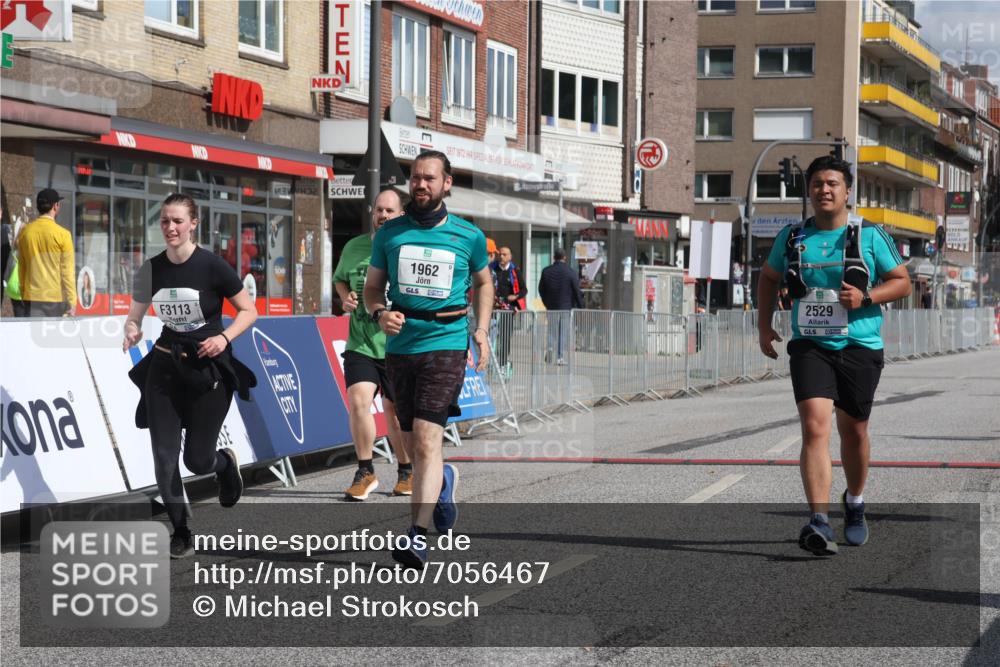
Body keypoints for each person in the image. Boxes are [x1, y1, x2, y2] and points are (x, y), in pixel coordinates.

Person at [757, 155, 910, 556]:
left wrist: (867, 297)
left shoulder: (869, 235)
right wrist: (762, 325)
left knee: (854, 430)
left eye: (832, 184)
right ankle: (819, 520)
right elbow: (769, 277)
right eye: (817, 184)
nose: (824, 190)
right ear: (808, 191)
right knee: (814, 427)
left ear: (847, 191)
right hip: (811, 345)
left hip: (860, 345)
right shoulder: (792, 237)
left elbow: (903, 282)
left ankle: (855, 502)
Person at [364, 150, 493, 570]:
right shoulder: (390, 234)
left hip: (447, 339)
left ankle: (416, 537)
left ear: (447, 183)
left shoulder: (467, 235)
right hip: (401, 347)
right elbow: (372, 290)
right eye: (416, 178)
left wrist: (482, 330)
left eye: (430, 179)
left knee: (425, 439)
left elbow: (485, 282)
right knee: (408, 440)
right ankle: (442, 483)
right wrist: (379, 313)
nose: (421, 185)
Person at [123, 193, 258, 559]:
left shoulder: (213, 266)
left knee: (196, 460)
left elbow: (248, 311)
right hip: (164, 368)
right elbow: (134, 314)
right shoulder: (151, 268)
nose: (170, 227)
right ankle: (181, 531)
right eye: (165, 221)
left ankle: (224, 464)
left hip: (206, 369)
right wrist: (132, 329)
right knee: (164, 457)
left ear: (193, 223)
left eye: (178, 221)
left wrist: (223, 337)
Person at [334, 189, 413, 501]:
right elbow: (341, 279)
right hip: (361, 342)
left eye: (390, 211)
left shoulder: (407, 247)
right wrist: (344, 297)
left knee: (394, 413)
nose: (383, 216)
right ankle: (365, 470)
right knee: (358, 402)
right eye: (379, 210)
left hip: (397, 345)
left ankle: (406, 471)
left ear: (400, 214)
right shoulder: (355, 246)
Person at [16, 189, 75, 317]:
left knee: (32, 335)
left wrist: (23, 291)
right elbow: (67, 271)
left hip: (31, 296)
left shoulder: (25, 233)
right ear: (55, 206)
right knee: (52, 336)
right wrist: (72, 300)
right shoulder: (64, 235)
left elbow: (22, 266)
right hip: (55, 297)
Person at [538, 247, 583, 364]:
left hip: (551, 306)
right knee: (563, 332)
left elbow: (541, 289)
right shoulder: (571, 272)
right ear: (565, 257)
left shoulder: (546, 271)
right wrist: (581, 306)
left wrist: (546, 302)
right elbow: (577, 291)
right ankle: (560, 357)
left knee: (551, 330)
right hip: (565, 307)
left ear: (554, 257)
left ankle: (550, 350)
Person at [489, 245, 527, 373]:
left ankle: (503, 364)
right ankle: (489, 364)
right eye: (500, 254)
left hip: (508, 310)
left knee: (505, 338)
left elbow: (524, 290)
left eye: (505, 254)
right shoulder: (492, 269)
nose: (501, 256)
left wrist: (514, 297)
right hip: (493, 310)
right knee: (491, 337)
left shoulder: (515, 271)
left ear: (510, 257)